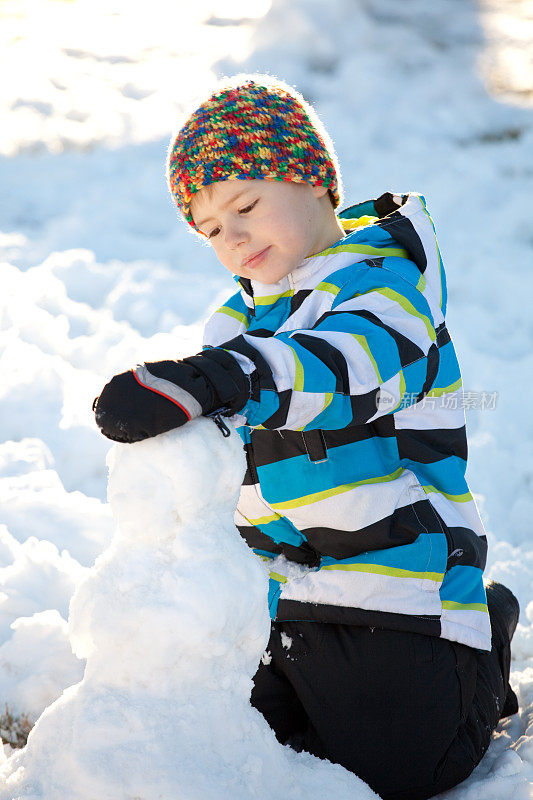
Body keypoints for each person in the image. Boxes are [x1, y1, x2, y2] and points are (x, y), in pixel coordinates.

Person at [93, 74, 519, 799]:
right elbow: (237, 420)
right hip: (285, 596)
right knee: (258, 743)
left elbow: (333, 368)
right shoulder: (236, 324)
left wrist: (218, 380)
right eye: (210, 230)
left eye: (246, 206)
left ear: (313, 180)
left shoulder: (386, 292)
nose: (232, 237)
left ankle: (483, 644)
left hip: (401, 594)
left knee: (402, 769)